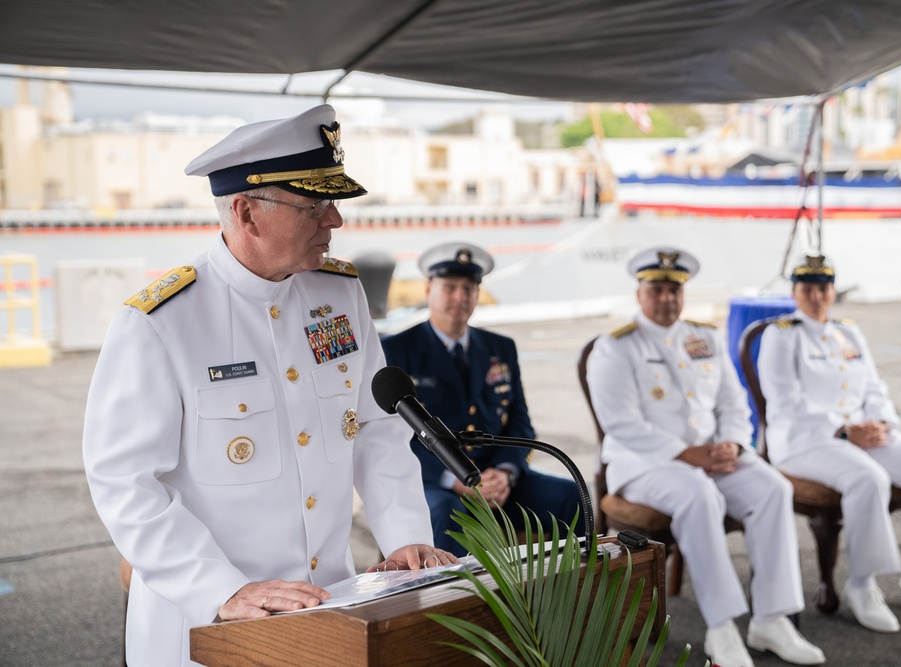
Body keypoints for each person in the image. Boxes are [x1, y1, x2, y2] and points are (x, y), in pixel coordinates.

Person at [82, 105, 455, 667]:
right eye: (315, 205)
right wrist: (221, 590)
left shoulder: (339, 296)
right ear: (246, 212)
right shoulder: (160, 322)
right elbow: (125, 483)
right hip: (204, 624)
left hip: (328, 608)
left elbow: (378, 430)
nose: (335, 221)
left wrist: (404, 536)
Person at [586, 247, 826, 667]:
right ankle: (721, 627)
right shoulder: (616, 347)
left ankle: (772, 618)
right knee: (699, 496)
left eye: (674, 290)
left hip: (712, 458)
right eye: (656, 289)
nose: (667, 298)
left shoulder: (705, 337)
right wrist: (687, 454)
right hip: (643, 464)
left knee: (773, 487)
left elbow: (734, 403)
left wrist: (732, 443)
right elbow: (621, 423)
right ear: (639, 293)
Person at [757, 255, 901, 633]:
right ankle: (862, 584)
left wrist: (880, 422)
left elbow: (874, 387)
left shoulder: (849, 332)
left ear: (833, 291)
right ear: (794, 292)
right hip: (804, 440)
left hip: (861, 434)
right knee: (868, 478)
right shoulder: (781, 334)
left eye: (823, 288)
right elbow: (785, 399)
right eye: (807, 288)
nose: (816, 296)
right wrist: (844, 430)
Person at [380, 242, 582, 556]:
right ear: (428, 289)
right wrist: (457, 480)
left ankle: (566, 597)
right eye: (450, 287)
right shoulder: (396, 350)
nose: (460, 297)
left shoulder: (500, 347)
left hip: (496, 479)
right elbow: (392, 437)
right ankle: (456, 605)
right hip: (435, 480)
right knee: (448, 515)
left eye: (469, 288)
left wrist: (505, 472)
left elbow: (519, 421)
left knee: (572, 496)